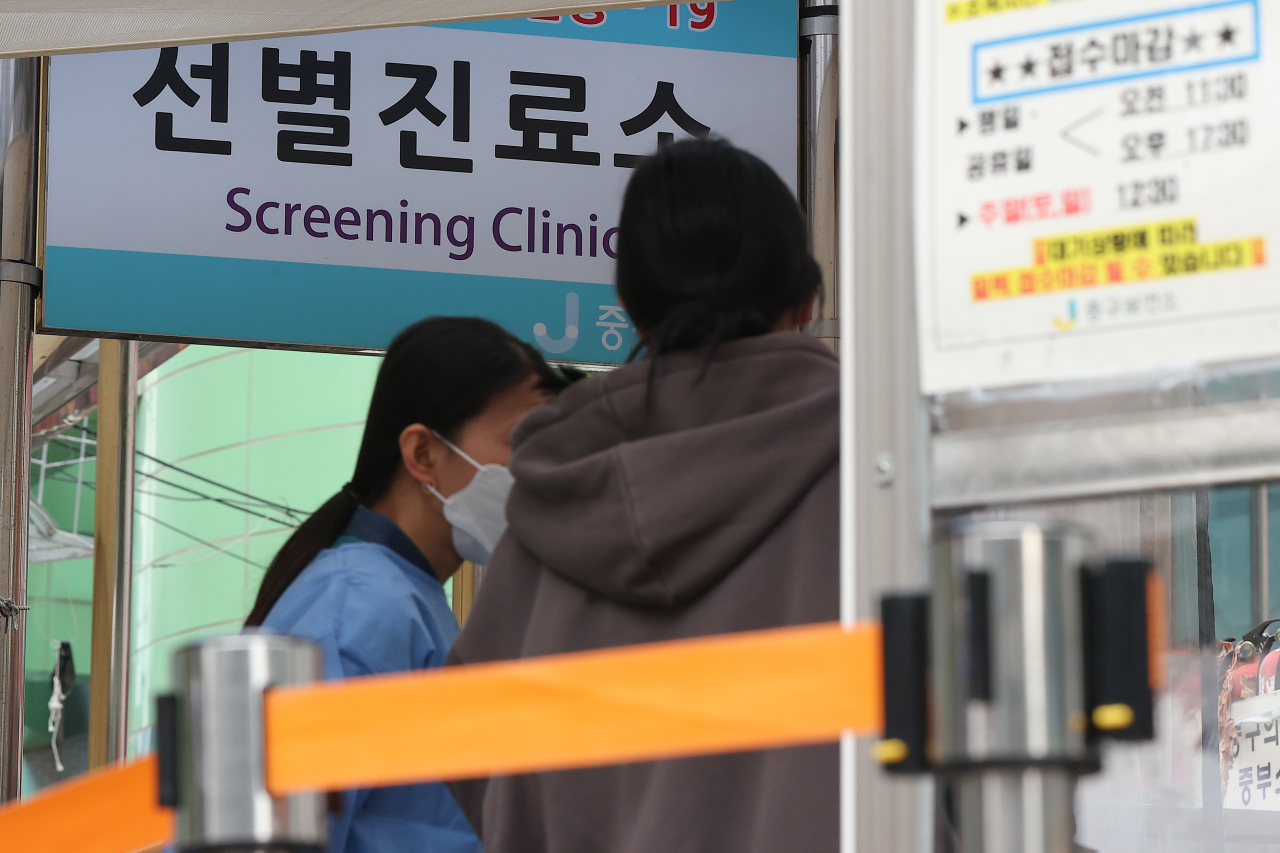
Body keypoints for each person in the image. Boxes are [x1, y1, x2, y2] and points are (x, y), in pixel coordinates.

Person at [446, 139, 838, 853]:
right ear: (807, 300)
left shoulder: (549, 499)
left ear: (628, 305)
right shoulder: (875, 468)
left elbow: (469, 751)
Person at [244, 316, 568, 853]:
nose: (543, 469)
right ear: (422, 454)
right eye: (522, 441)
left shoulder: (404, 599)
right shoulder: (357, 607)